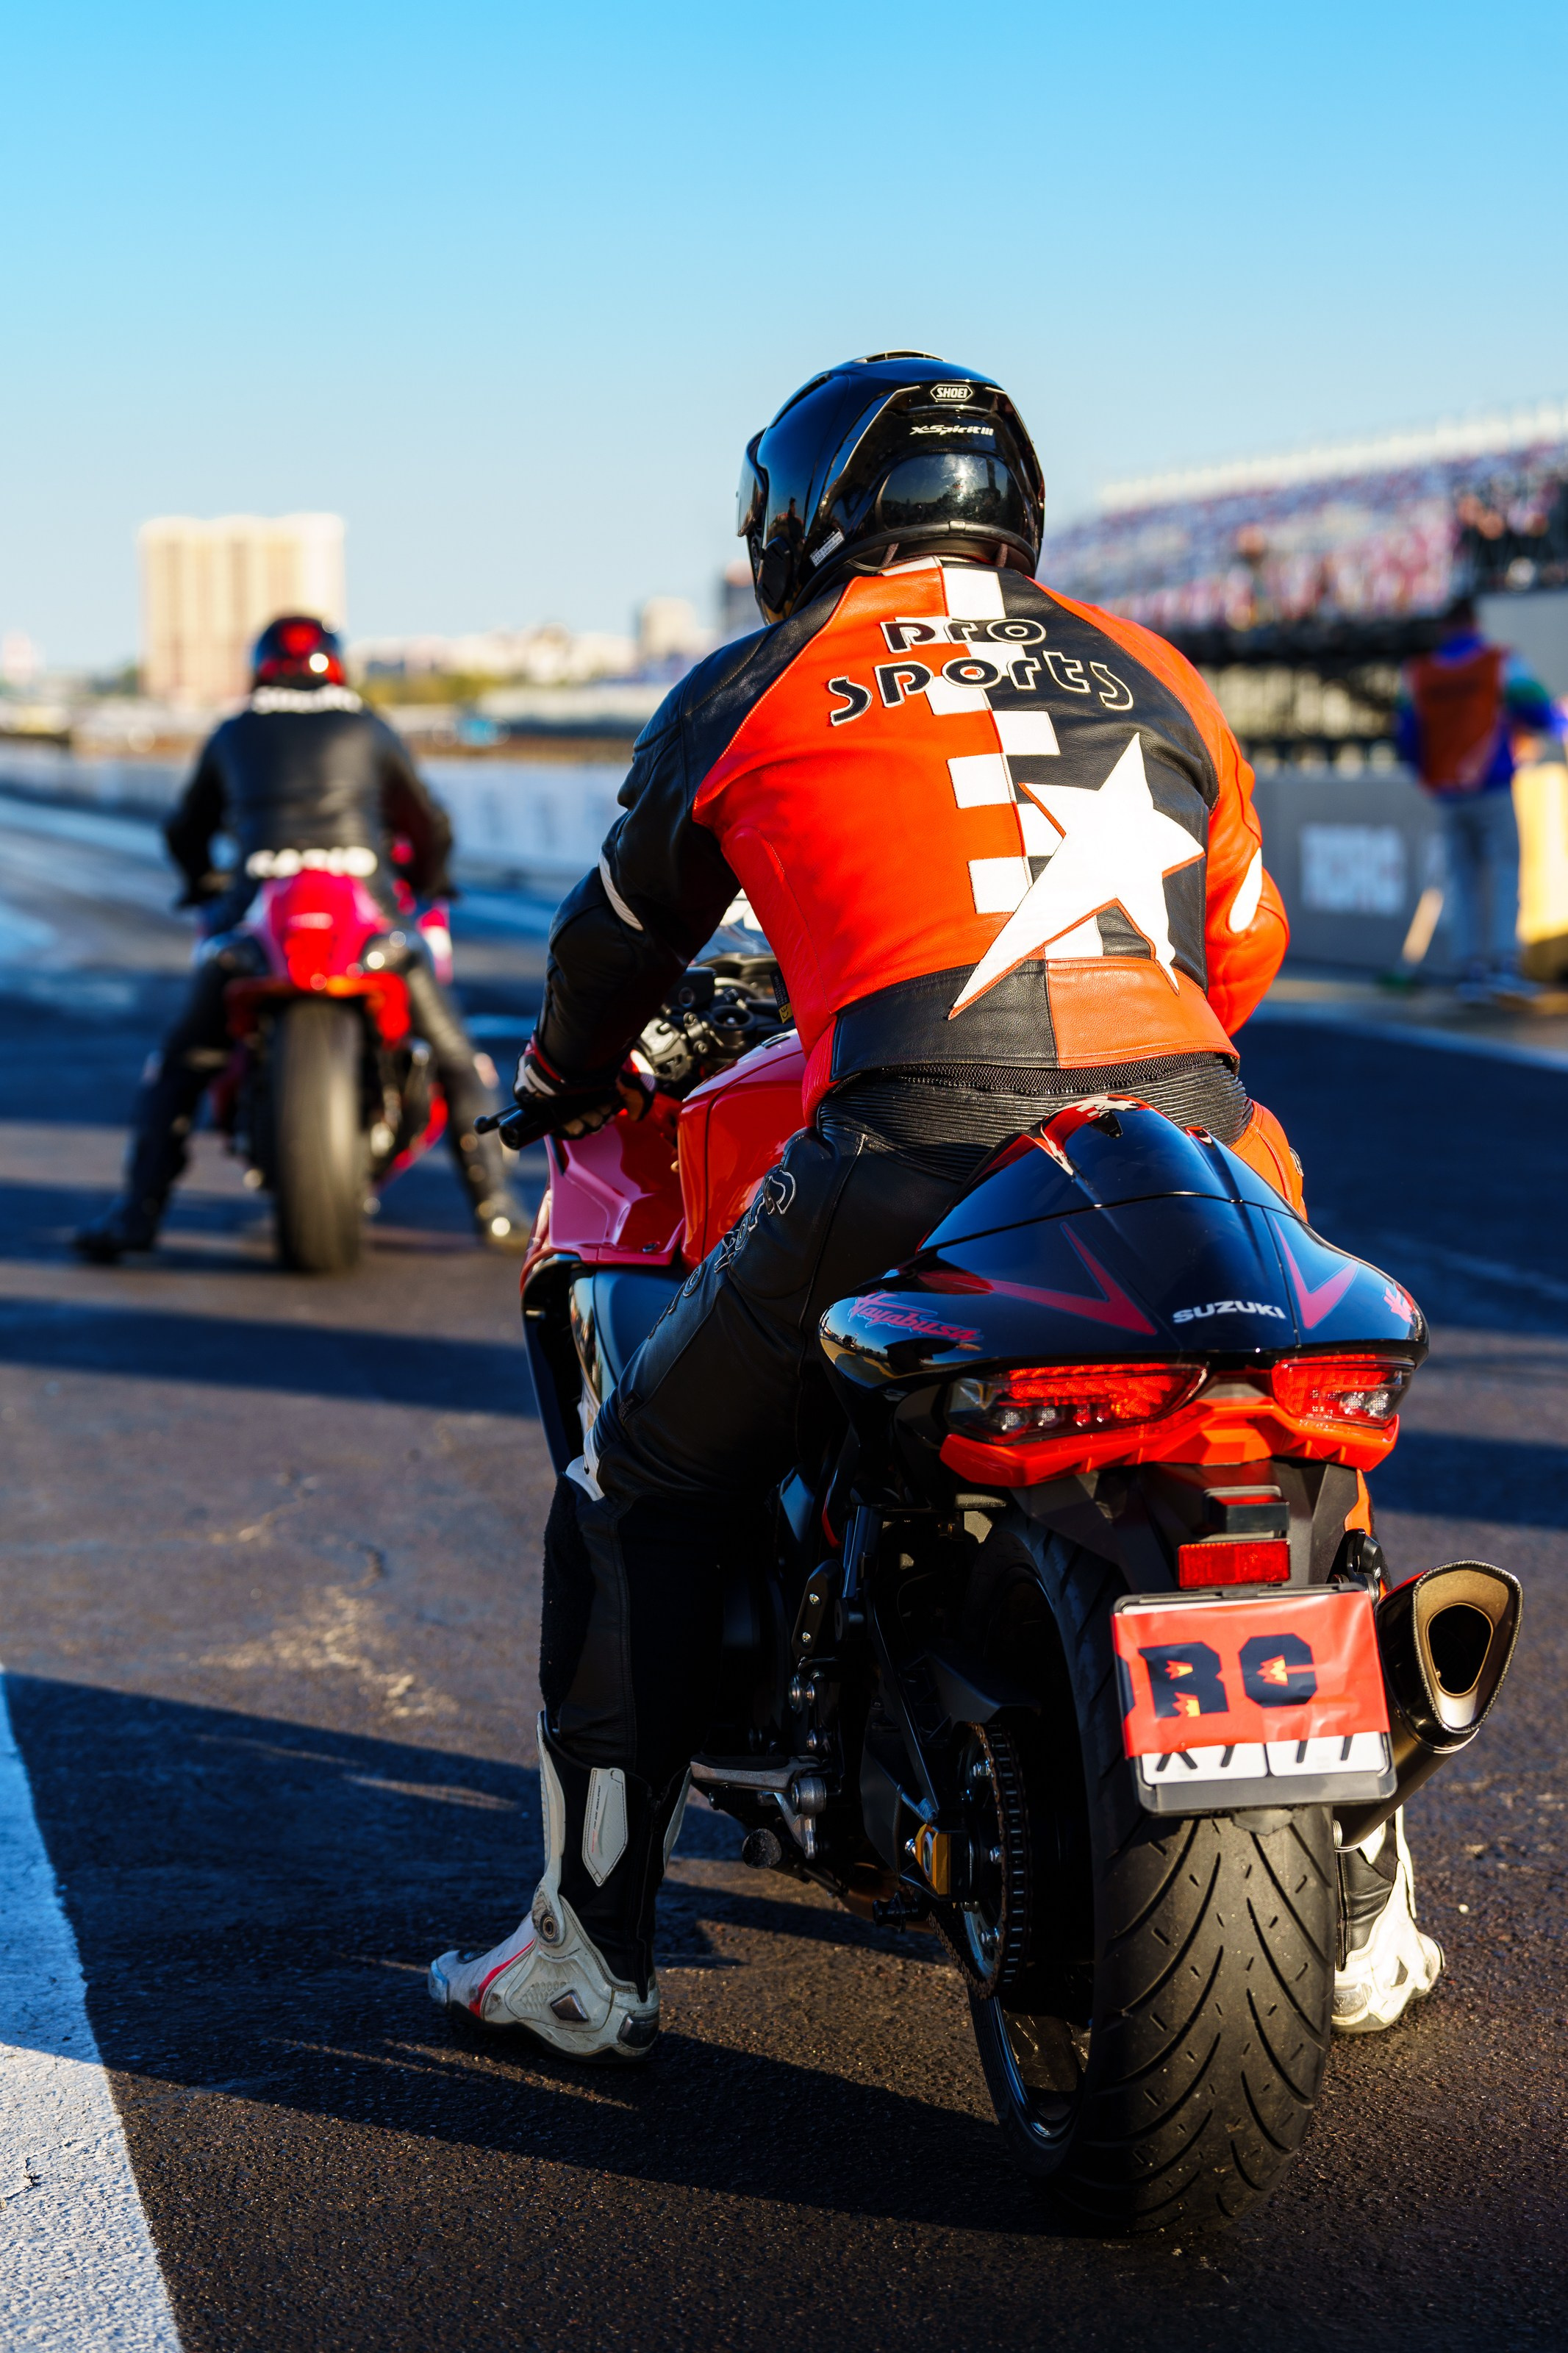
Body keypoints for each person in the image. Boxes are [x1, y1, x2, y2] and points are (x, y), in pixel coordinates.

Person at [427, 354, 1437, 2057]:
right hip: (1192, 1131)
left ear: (804, 518)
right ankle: (1367, 1914)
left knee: (640, 1481)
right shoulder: (1155, 673)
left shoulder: (762, 678)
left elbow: (612, 949)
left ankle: (583, 1958)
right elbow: (1238, 948)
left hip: (906, 1141)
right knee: (1288, 1447)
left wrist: (558, 1079)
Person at [74, 615, 527, 1261]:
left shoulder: (234, 731)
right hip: (368, 906)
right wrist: (432, 880)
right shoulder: (367, 726)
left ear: (258, 666)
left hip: (257, 907)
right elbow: (427, 822)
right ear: (338, 664)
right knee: (456, 1054)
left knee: (180, 1063)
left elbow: (185, 829)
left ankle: (136, 1215)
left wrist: (204, 883)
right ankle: (497, 1210)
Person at [1397, 593, 1559, 1001]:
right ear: (1475, 622)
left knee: (1464, 881)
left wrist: (1431, 776)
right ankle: (1505, 965)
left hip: (1449, 792)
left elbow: (1407, 738)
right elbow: (1538, 712)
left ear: (1444, 627)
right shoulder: (1499, 662)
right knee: (1506, 872)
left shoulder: (1419, 673)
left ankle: (1471, 973)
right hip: (1491, 784)